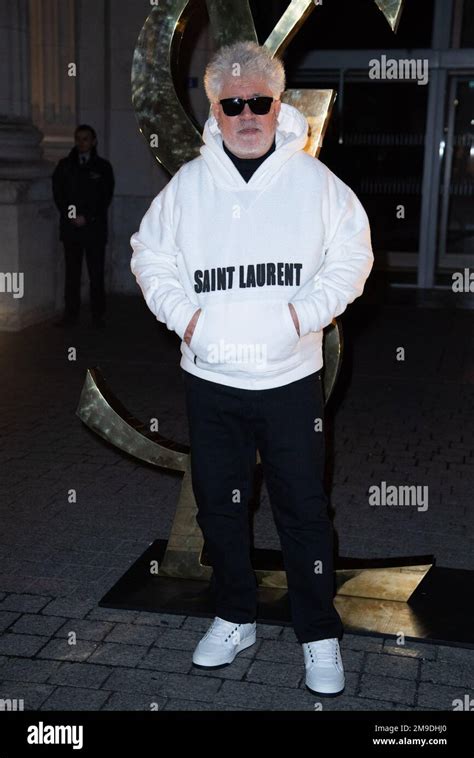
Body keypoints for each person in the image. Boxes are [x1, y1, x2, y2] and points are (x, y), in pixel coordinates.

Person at [130, 41, 373, 697]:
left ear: (277, 102)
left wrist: (303, 317)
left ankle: (317, 632)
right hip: (211, 383)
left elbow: (352, 257)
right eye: (230, 101)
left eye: (258, 101)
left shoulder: (314, 182)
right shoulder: (188, 185)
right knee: (220, 509)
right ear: (214, 105)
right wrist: (189, 321)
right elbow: (150, 258)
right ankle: (234, 616)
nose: (245, 113)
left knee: (303, 511)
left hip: (289, 384)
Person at [52, 124, 115, 328]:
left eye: (86, 138)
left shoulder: (103, 167)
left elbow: (104, 197)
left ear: (93, 141)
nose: (81, 142)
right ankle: (71, 314)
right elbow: (59, 194)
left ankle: (98, 316)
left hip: (94, 230)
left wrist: (87, 217)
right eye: (78, 138)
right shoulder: (64, 166)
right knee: (72, 274)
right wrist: (72, 216)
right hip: (72, 231)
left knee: (96, 274)